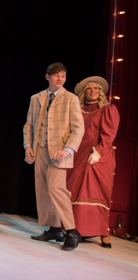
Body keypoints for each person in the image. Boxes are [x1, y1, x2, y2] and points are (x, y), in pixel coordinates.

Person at [23, 62, 85, 251]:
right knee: (43, 190)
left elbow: (78, 128)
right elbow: (29, 125)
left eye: (63, 76)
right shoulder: (37, 98)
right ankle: (54, 229)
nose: (60, 78)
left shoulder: (71, 99)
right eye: (57, 75)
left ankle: (72, 231)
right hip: (40, 149)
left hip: (60, 152)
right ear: (47, 77)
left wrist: (68, 150)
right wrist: (27, 146)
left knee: (57, 189)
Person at [67, 76, 119, 248]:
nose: (93, 91)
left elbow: (108, 134)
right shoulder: (78, 110)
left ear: (101, 92)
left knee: (96, 191)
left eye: (96, 88)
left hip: (98, 155)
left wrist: (99, 152)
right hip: (78, 153)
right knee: (74, 189)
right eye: (89, 89)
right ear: (84, 92)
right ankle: (76, 229)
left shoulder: (107, 109)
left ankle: (104, 233)